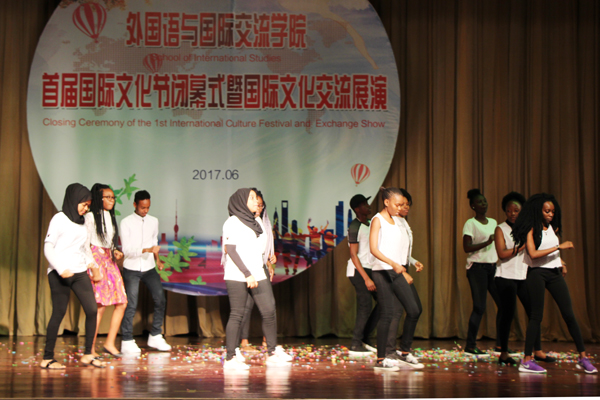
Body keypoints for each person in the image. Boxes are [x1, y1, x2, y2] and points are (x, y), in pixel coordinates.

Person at [512, 193, 597, 374]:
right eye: (547, 211)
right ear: (538, 211)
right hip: (537, 273)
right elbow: (533, 254)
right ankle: (526, 360)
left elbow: (550, 251)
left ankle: (583, 357)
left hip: (554, 273)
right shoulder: (530, 229)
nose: (551, 214)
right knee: (536, 316)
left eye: (552, 211)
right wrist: (559, 247)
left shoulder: (552, 227)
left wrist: (561, 262)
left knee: (569, 315)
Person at [222, 188, 292, 370]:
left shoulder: (257, 221)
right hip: (237, 273)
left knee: (269, 310)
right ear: (241, 201)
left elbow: (259, 249)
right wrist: (247, 274)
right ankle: (230, 357)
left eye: (256, 198)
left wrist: (267, 260)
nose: (256, 202)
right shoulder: (232, 222)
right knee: (237, 314)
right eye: (251, 198)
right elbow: (231, 250)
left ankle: (272, 352)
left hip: (257, 271)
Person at [41, 183, 105, 369]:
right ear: (73, 200)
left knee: (92, 310)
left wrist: (92, 265)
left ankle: (88, 354)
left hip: (79, 272)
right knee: (59, 312)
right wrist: (61, 269)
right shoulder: (59, 219)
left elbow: (84, 248)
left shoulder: (84, 222)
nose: (86, 209)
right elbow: (48, 247)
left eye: (88, 206)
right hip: (59, 273)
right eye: (83, 205)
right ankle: (47, 358)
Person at [494, 192, 555, 366]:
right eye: (509, 210)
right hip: (505, 276)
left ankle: (538, 351)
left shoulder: (528, 227)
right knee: (507, 315)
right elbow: (501, 254)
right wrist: (520, 248)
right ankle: (503, 354)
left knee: (534, 312)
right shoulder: (500, 229)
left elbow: (539, 249)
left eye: (516, 210)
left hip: (524, 275)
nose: (512, 213)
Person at [369, 187, 424, 370]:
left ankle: (404, 352)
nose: (400, 208)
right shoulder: (377, 220)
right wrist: (394, 264)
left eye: (403, 205)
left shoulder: (398, 221)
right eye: (398, 204)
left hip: (396, 270)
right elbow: (374, 249)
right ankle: (381, 358)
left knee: (414, 309)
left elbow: (399, 248)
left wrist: (409, 262)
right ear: (387, 202)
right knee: (387, 313)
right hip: (382, 271)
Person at [119, 190, 171, 355]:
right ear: (135, 204)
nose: (145, 210)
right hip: (131, 268)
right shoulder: (126, 222)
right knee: (131, 304)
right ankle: (127, 340)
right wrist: (146, 249)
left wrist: (158, 260)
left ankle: (155, 335)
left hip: (149, 267)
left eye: (148, 207)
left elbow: (154, 243)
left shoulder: (153, 221)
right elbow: (126, 250)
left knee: (160, 299)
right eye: (142, 207)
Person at [85, 183, 127, 358]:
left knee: (122, 302)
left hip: (109, 260)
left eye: (113, 197)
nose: (112, 200)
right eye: (108, 197)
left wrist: (115, 250)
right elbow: (86, 245)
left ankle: (110, 343)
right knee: (100, 306)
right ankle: (90, 348)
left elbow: (108, 242)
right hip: (96, 260)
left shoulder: (110, 216)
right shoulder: (89, 217)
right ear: (99, 198)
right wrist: (93, 266)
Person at [462, 188, 501, 357]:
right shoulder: (470, 224)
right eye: (479, 202)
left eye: (484, 201)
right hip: (477, 268)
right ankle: (470, 346)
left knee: (504, 305)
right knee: (479, 307)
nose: (483, 204)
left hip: (492, 268)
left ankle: (501, 345)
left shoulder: (493, 222)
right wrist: (487, 242)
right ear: (473, 206)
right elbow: (466, 247)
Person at [239, 190, 276, 352]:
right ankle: (244, 342)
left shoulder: (263, 221)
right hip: (247, 269)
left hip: (261, 267)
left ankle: (268, 341)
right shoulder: (241, 221)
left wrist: (269, 261)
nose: (259, 207)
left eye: (261, 205)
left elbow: (263, 247)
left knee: (269, 305)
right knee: (246, 306)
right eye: (256, 203)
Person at [346, 194, 379, 355]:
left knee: (384, 302)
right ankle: (355, 344)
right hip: (358, 270)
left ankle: (365, 337)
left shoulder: (370, 223)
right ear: (357, 209)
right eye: (364, 204)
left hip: (371, 268)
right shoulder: (354, 226)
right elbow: (353, 255)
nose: (368, 206)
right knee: (365, 305)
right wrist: (366, 278)